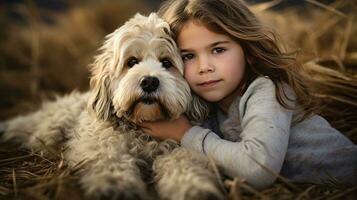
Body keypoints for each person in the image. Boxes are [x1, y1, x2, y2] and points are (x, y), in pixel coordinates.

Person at [140, 0, 357, 189]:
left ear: (248, 51)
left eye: (218, 50)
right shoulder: (207, 106)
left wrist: (185, 134)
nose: (204, 67)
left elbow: (258, 170)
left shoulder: (265, 89)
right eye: (188, 56)